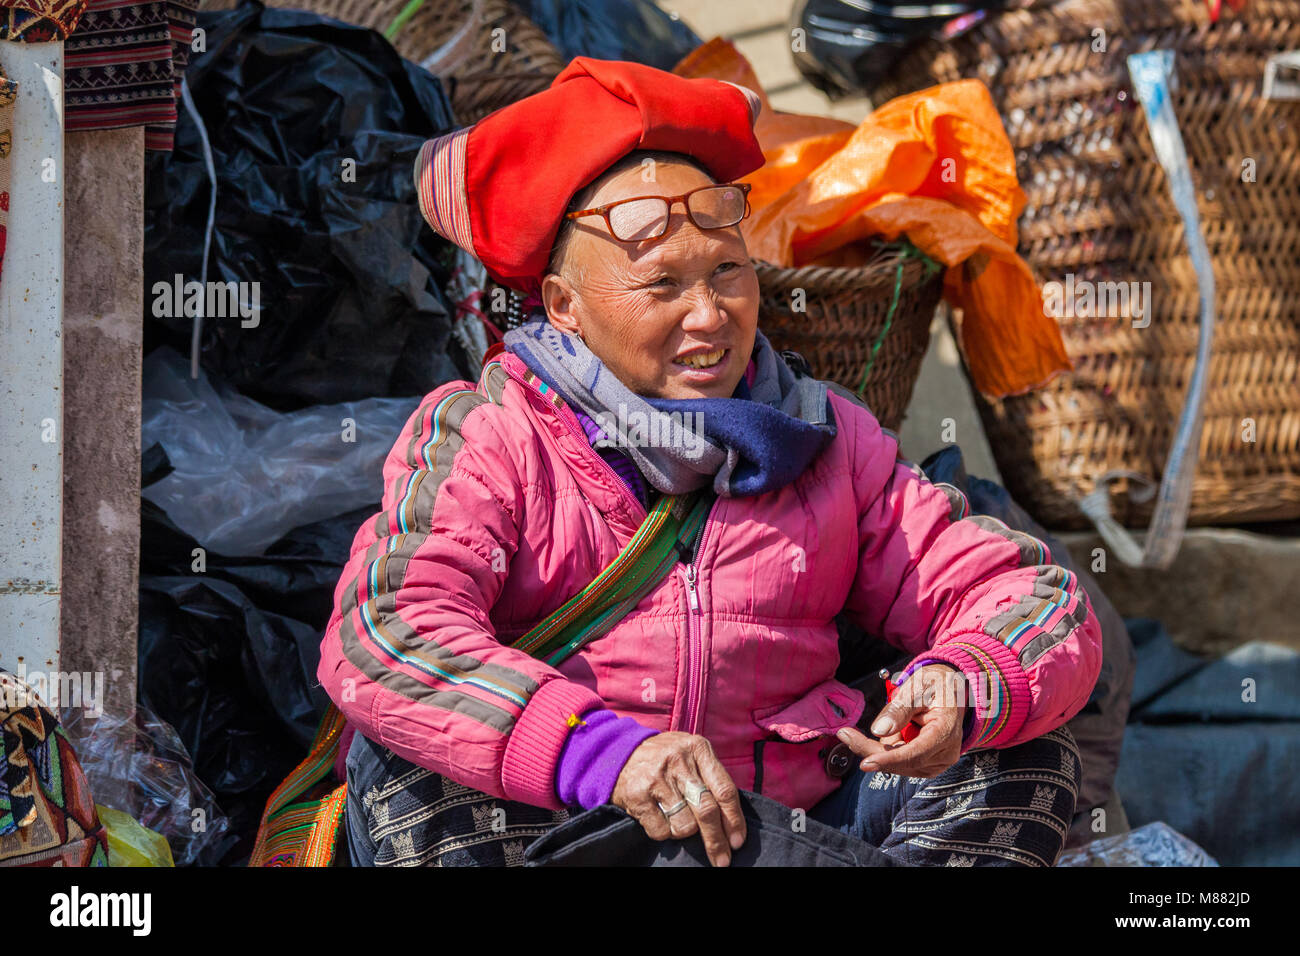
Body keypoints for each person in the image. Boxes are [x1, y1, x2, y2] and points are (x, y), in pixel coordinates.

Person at [319, 57, 1102, 867]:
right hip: (587, 829)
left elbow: (1027, 597)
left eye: (727, 271)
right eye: (662, 285)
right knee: (410, 782)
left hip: (789, 830)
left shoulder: (827, 437)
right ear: (565, 307)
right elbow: (388, 633)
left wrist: (967, 682)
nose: (709, 317)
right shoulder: (490, 433)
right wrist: (602, 756)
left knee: (1023, 754)